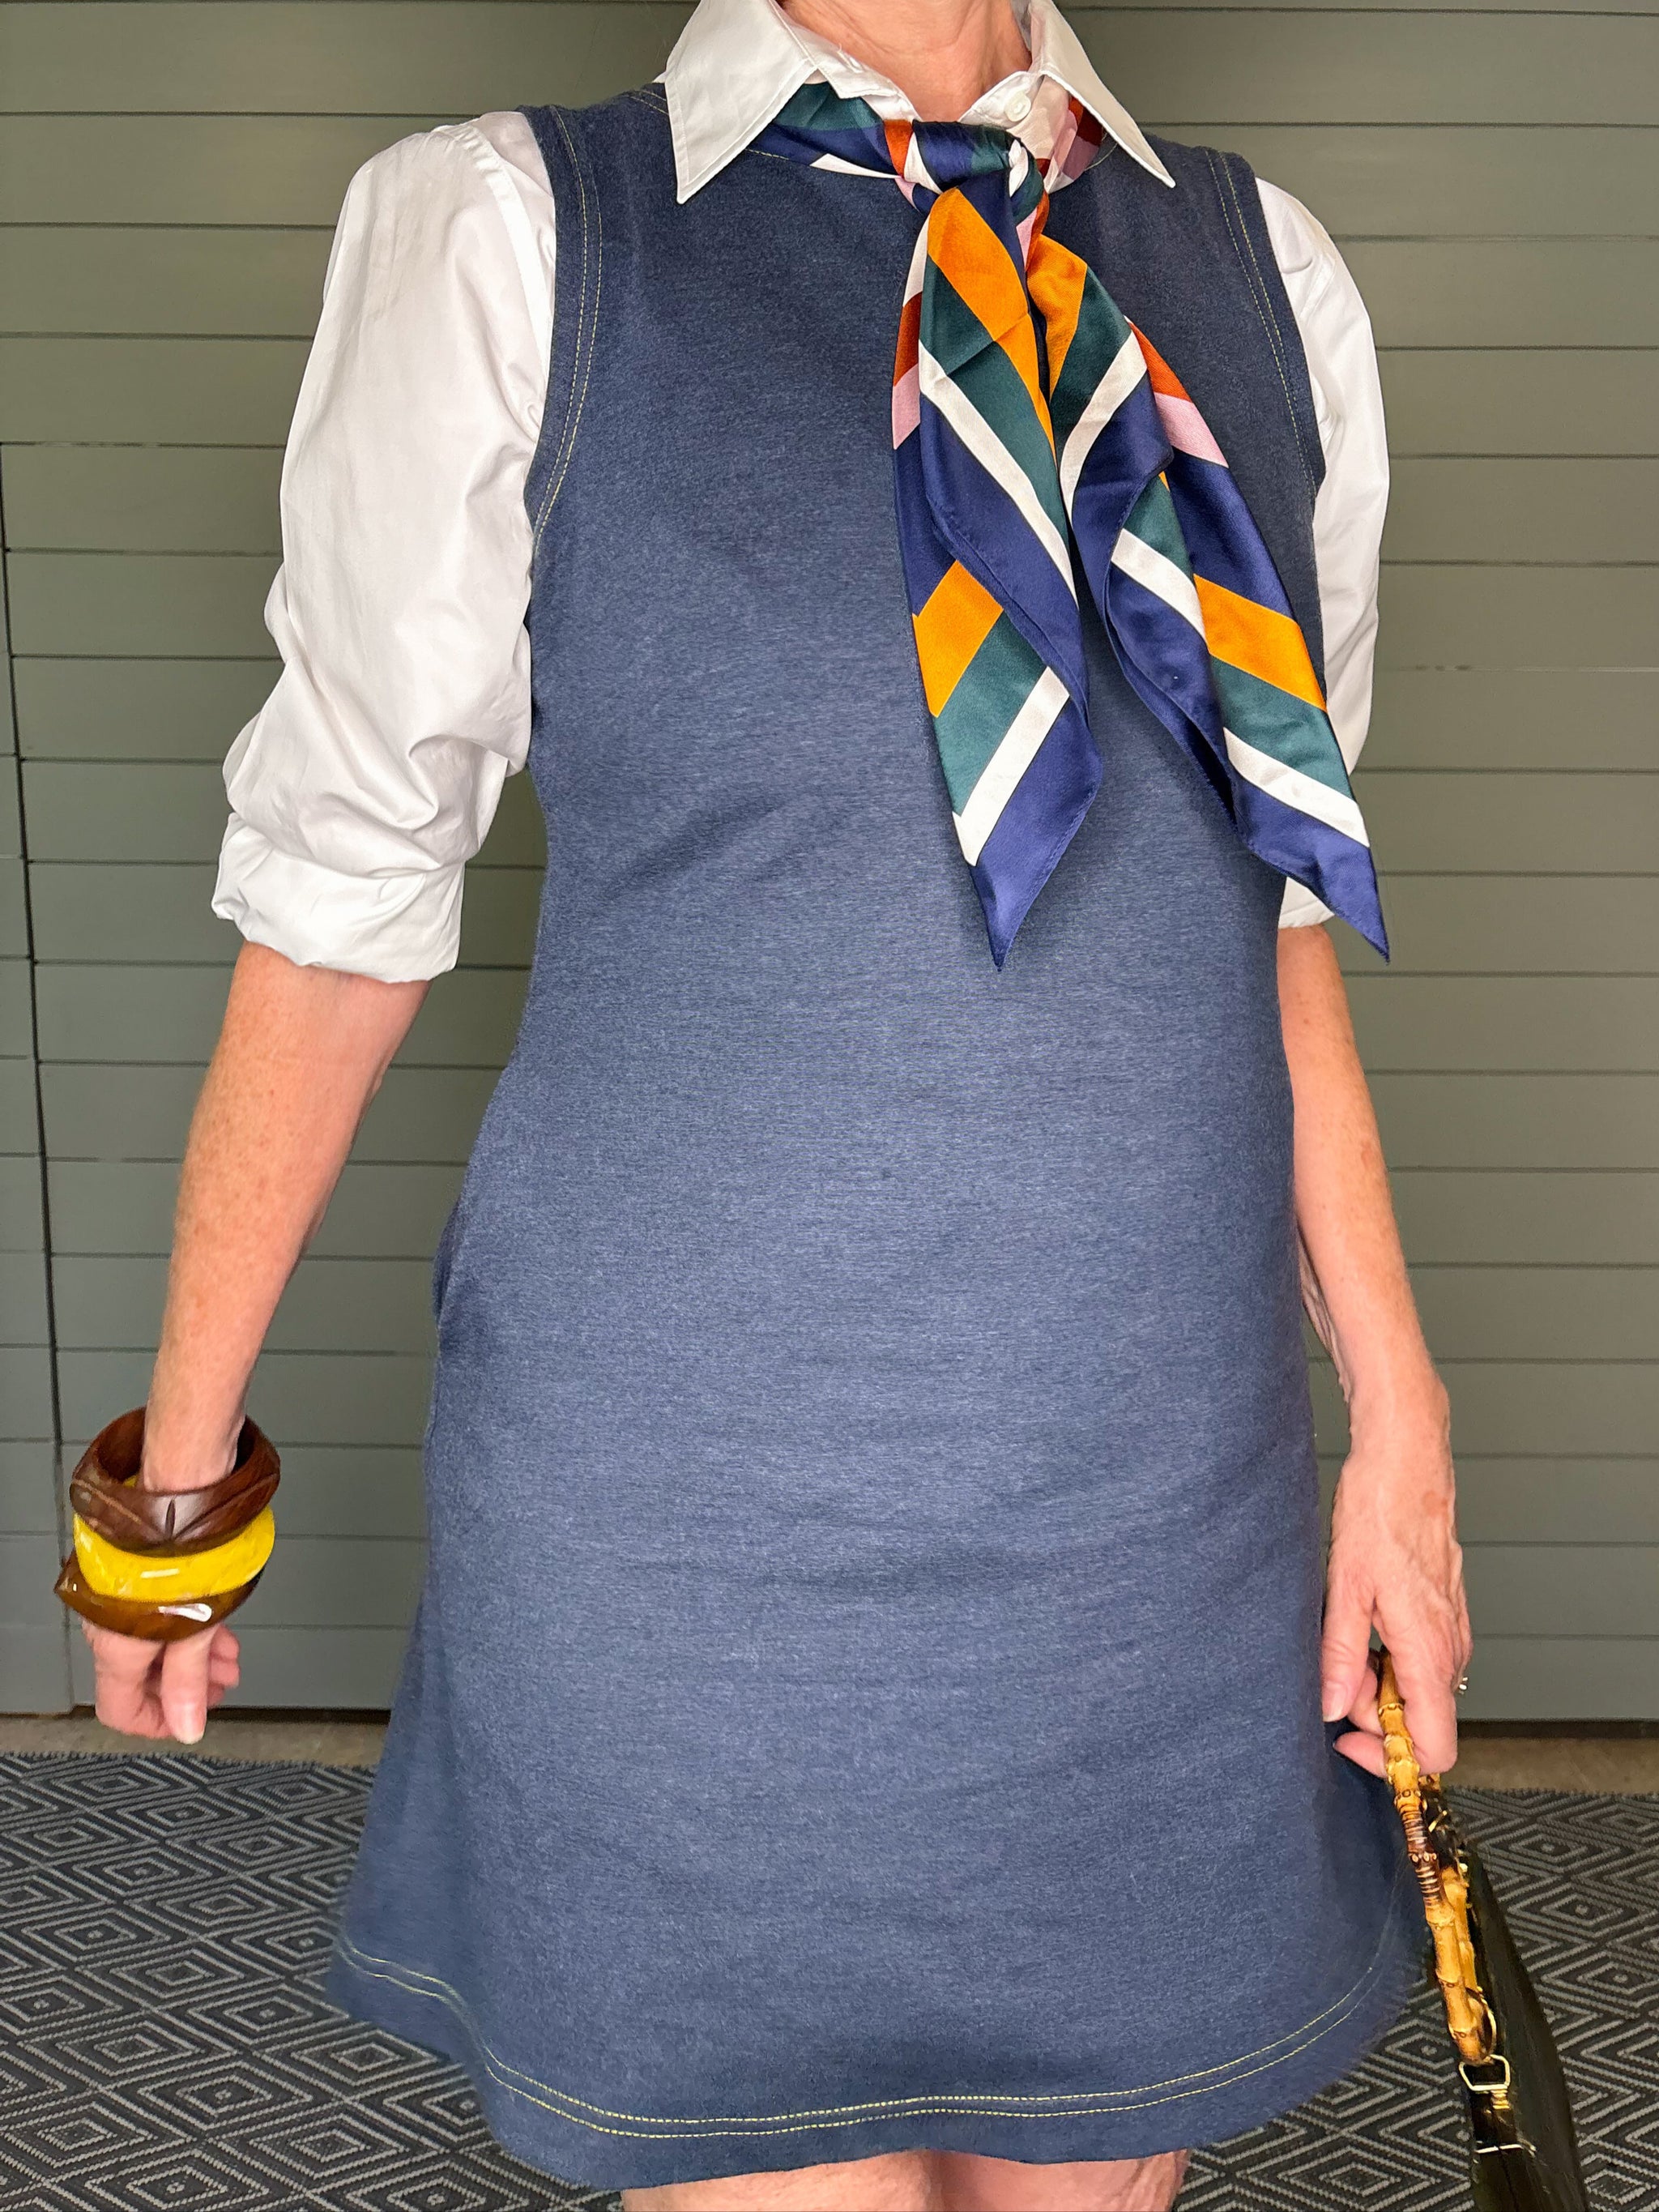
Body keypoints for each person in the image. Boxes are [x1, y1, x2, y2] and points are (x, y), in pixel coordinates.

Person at [74, 0, 1472, 2204]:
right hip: (687, 1534)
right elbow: (340, 911)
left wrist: (1399, 1418)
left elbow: (1268, 903)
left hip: (1155, 1529)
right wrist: (169, 1499)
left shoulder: (1265, 274)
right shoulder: (519, 235)